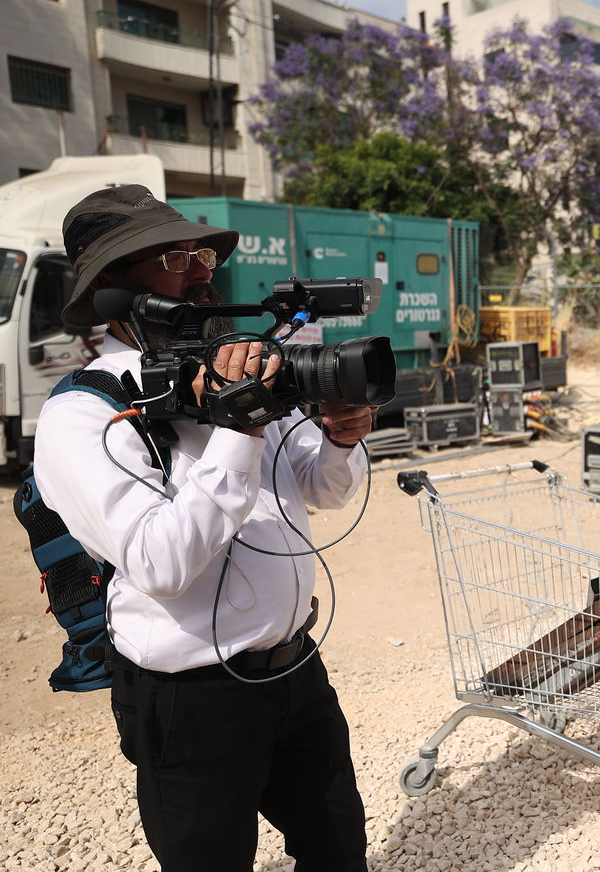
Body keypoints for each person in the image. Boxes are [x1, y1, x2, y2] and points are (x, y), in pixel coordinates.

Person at [34, 184, 375, 871]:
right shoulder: (81, 415)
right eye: (172, 257)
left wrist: (343, 436)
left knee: (339, 846)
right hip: (191, 703)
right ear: (112, 291)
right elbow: (160, 561)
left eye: (200, 253)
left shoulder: (233, 363)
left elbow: (322, 489)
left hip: (297, 673)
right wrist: (239, 425)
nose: (201, 270)